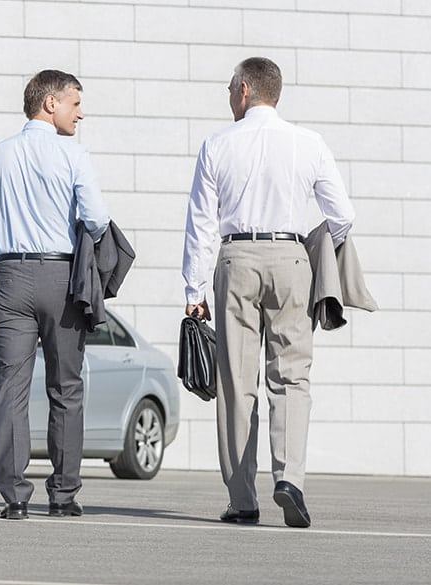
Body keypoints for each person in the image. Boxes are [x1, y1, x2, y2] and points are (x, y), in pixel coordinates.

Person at [181, 57, 355, 528]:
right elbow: (342, 215)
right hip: (292, 258)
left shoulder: (217, 144)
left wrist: (192, 288)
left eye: (228, 87)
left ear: (243, 89)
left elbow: (201, 225)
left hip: (236, 260)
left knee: (237, 383)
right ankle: (290, 479)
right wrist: (314, 245)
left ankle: (243, 500)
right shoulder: (309, 143)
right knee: (292, 376)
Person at [0, 69, 110, 520]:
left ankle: (15, 496)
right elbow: (97, 219)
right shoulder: (73, 155)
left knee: (11, 386)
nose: (81, 113)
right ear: (50, 104)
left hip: (10, 278)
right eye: (75, 104)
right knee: (67, 387)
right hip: (62, 280)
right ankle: (63, 495)